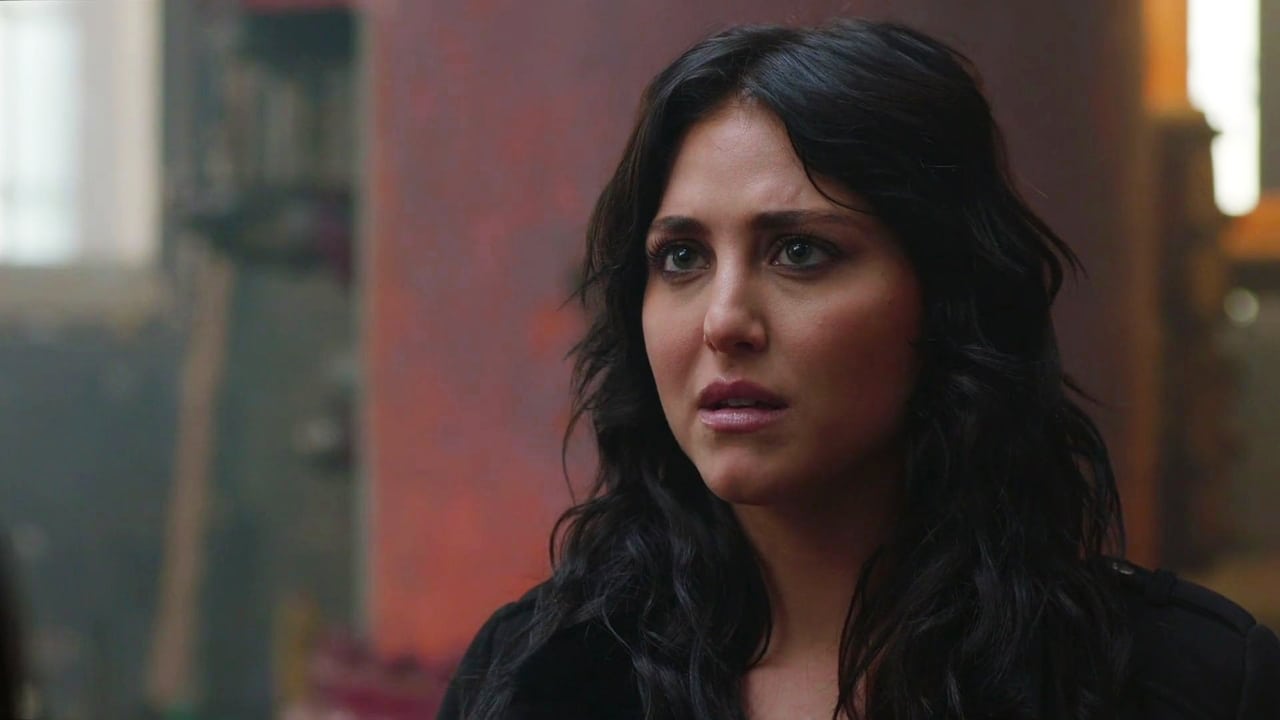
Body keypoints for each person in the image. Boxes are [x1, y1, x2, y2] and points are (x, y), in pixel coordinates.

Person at [437, 19, 1280, 720]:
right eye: (683, 257)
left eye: (800, 252)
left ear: (946, 298)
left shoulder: (1182, 682)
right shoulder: (540, 678)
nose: (724, 321)